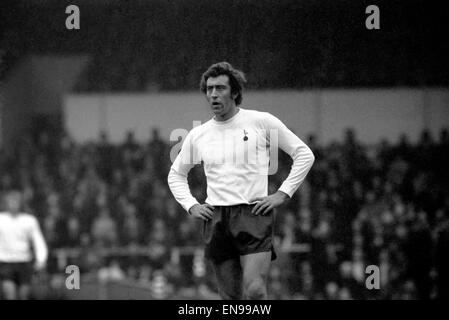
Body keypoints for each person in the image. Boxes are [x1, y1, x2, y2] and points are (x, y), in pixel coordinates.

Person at [167, 62, 314, 299]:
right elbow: (175, 174)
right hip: (216, 218)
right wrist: (191, 205)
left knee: (255, 291)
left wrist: (283, 193)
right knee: (230, 298)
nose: (214, 94)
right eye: (209, 89)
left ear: (235, 92)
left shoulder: (261, 122)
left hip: (253, 215)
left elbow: (304, 154)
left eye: (220, 88)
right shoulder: (199, 134)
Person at [0, 190, 48, 299]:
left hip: (24, 262)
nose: (13, 204)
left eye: (16, 201)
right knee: (10, 294)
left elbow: (38, 241)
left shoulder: (29, 220)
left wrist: (41, 259)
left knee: (23, 296)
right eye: (11, 201)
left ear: (20, 203)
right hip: (5, 262)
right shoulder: (1, 219)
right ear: (6, 203)